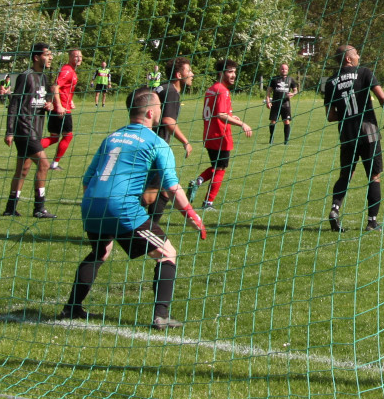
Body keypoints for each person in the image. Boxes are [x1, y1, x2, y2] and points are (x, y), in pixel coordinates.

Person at [59, 87, 206, 329]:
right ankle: (161, 316)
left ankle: (71, 308)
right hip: (122, 207)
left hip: (91, 203)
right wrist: (191, 215)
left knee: (100, 252)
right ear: (150, 112)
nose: (160, 109)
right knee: (167, 252)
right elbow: (171, 187)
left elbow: (87, 180)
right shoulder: (158, 143)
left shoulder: (112, 137)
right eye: (159, 106)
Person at [322, 45, 384, 232]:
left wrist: (347, 114)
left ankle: (334, 210)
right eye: (355, 53)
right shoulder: (363, 72)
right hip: (369, 132)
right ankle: (372, 222)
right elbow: (381, 97)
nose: (358, 56)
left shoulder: (331, 82)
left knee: (345, 175)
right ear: (348, 59)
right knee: (374, 176)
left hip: (347, 134)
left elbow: (330, 116)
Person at [3, 43, 59, 219]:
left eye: (51, 55)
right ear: (36, 57)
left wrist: (48, 105)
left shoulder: (43, 77)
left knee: (23, 169)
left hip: (36, 128)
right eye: (47, 55)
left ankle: (10, 208)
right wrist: (10, 131)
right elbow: (14, 103)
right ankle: (39, 208)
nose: (50, 58)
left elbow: (41, 99)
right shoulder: (25, 77)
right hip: (24, 128)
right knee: (43, 164)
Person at [187, 59, 253, 210]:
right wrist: (242, 123)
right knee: (221, 169)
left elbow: (220, 112)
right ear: (220, 73)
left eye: (234, 72)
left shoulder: (212, 89)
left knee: (217, 166)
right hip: (220, 136)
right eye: (229, 72)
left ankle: (199, 180)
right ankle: (208, 202)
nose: (233, 75)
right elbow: (221, 115)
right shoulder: (222, 90)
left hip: (209, 135)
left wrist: (232, 116)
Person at [150, 58, 194, 223]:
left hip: (148, 142)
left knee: (160, 189)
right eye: (188, 71)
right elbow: (168, 120)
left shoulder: (163, 87)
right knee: (156, 191)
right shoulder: (172, 92)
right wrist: (185, 141)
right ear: (178, 74)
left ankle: (148, 226)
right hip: (156, 145)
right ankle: (146, 227)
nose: (192, 74)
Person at [43, 49, 82, 171]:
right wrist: (59, 105)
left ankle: (31, 149)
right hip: (61, 109)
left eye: (80, 56)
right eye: (76, 56)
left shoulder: (71, 71)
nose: (79, 58)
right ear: (70, 57)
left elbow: (63, 89)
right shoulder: (67, 70)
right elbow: (55, 87)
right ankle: (52, 163)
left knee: (54, 137)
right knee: (68, 136)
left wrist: (70, 100)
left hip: (63, 106)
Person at [266, 62, 299, 144]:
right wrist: (268, 101)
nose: (283, 70)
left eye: (285, 69)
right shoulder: (274, 79)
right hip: (276, 104)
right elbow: (268, 91)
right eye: (282, 68)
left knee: (286, 121)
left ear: (288, 70)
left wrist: (293, 93)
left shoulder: (290, 79)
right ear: (279, 69)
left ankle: (286, 140)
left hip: (286, 104)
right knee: (273, 121)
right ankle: (271, 137)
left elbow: (296, 90)